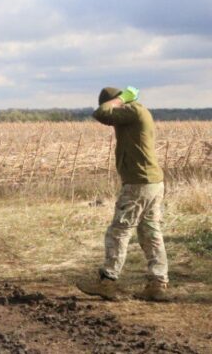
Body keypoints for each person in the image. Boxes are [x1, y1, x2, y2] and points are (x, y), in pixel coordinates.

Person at [77, 86, 170, 302]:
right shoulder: (135, 114)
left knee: (119, 230)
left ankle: (107, 281)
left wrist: (118, 100)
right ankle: (158, 283)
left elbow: (101, 113)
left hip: (139, 183)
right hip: (151, 182)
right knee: (150, 232)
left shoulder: (133, 111)